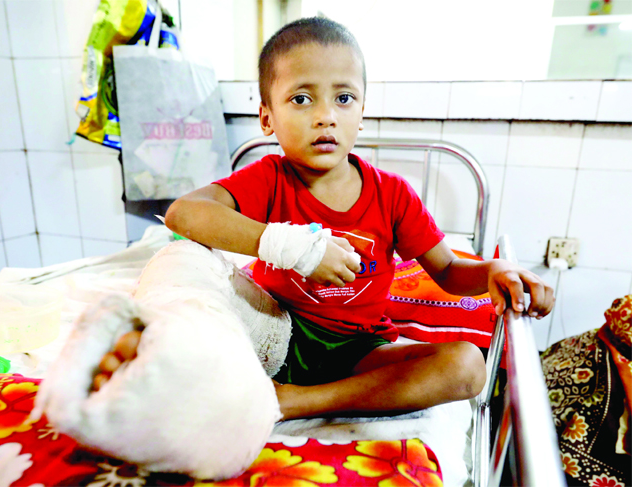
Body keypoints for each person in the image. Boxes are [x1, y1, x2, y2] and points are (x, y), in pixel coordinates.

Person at [93, 17, 555, 420]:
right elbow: (183, 214)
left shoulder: (393, 194)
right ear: (267, 118)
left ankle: (296, 402)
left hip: (359, 351)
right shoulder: (269, 178)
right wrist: (294, 248)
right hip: (275, 338)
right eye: (301, 99)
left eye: (344, 98)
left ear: (362, 110)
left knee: (467, 367)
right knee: (178, 285)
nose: (325, 117)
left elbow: (450, 271)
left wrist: (494, 271)